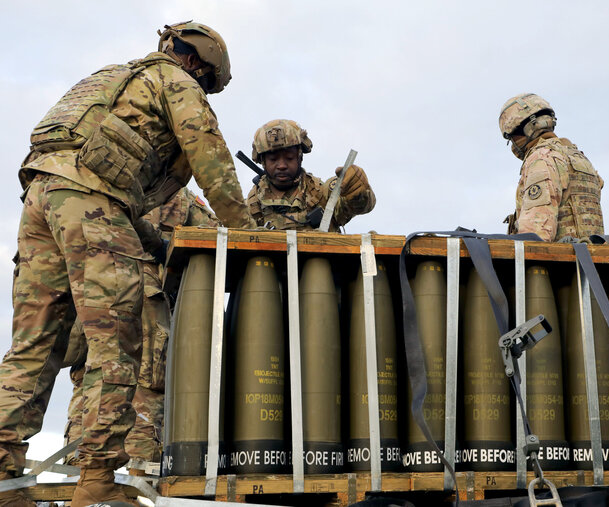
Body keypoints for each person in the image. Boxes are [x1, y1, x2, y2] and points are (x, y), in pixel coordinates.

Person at [0, 21, 254, 506]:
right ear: (199, 63)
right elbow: (211, 158)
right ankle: (97, 481)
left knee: (34, 345)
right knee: (115, 343)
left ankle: (3, 475)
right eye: (206, 83)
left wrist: (151, 240)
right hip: (90, 202)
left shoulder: (110, 79)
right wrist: (244, 233)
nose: (201, 89)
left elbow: (117, 190)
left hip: (40, 199)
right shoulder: (175, 80)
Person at [62, 188, 218, 472]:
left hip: (147, 369)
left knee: (142, 473)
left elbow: (218, 240)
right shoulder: (96, 189)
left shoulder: (181, 200)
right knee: (80, 473)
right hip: (95, 376)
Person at [498, 93, 604, 241]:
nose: (514, 144)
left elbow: (535, 233)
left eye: (512, 137)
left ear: (527, 129)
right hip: (592, 259)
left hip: (561, 261)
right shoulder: (577, 157)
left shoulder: (541, 158)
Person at [246, 119, 376, 231]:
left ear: (299, 157)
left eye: (289, 158)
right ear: (262, 161)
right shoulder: (251, 206)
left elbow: (358, 206)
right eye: (273, 159)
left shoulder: (321, 194)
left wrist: (358, 190)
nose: (281, 165)